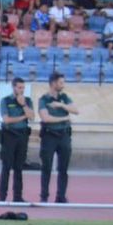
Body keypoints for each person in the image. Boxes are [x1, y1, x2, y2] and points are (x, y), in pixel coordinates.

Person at [38, 73, 77, 203]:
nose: (63, 85)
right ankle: (44, 196)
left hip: (64, 136)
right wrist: (64, 118)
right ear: (53, 83)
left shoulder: (64, 97)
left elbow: (75, 110)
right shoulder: (43, 99)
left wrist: (61, 105)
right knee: (46, 168)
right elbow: (46, 118)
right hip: (49, 136)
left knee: (63, 169)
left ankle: (61, 196)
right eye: (61, 83)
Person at [0, 77, 35, 203]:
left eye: (23, 87)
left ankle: (17, 197)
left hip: (22, 136)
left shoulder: (28, 101)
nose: (21, 90)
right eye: (19, 87)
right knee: (6, 167)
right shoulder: (6, 101)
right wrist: (23, 116)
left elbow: (32, 117)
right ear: (13, 87)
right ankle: (2, 196)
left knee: (19, 168)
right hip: (9, 136)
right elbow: (6, 119)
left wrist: (23, 105)